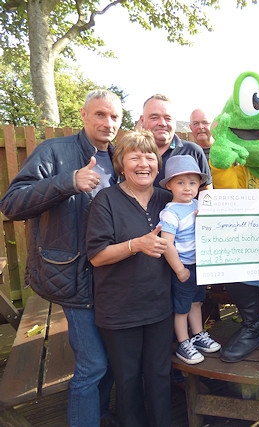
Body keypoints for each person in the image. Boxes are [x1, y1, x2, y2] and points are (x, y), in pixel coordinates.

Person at [0, 89, 122, 427]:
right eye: (100, 114)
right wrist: (67, 181)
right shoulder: (54, 152)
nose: (107, 123)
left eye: (114, 117)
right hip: (72, 278)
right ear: (83, 115)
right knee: (93, 364)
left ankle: (97, 416)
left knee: (111, 360)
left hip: (111, 279)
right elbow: (11, 203)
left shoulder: (120, 159)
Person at [86, 130, 174, 427]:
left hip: (160, 307)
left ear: (158, 164)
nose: (143, 163)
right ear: (120, 164)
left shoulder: (168, 199)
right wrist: (135, 245)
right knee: (127, 380)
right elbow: (97, 256)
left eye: (149, 156)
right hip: (120, 310)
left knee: (160, 376)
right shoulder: (106, 201)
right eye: (134, 157)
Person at [158, 155, 221, 364]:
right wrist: (178, 269)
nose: (187, 187)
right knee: (182, 307)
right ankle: (183, 342)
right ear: (169, 185)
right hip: (183, 266)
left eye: (193, 183)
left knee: (196, 302)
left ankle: (197, 335)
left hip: (198, 265)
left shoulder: (198, 204)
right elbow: (167, 243)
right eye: (180, 182)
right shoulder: (170, 213)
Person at [138, 94, 213, 189]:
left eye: (167, 118)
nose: (162, 123)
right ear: (142, 120)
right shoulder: (131, 153)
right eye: (154, 118)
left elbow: (206, 194)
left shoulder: (192, 152)